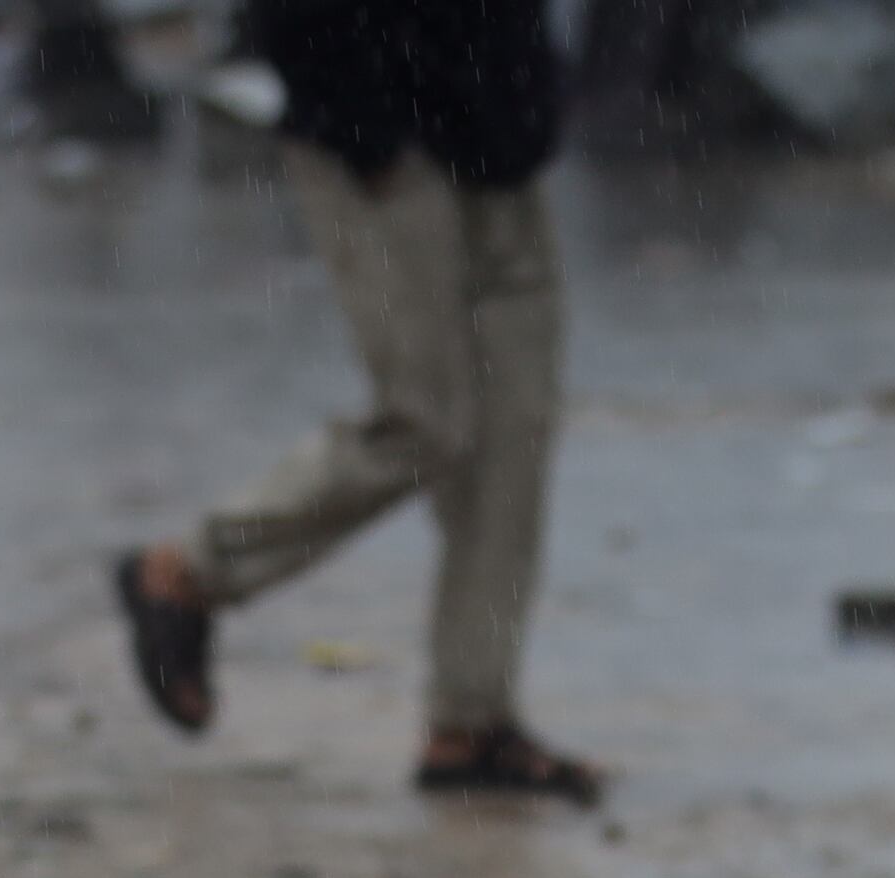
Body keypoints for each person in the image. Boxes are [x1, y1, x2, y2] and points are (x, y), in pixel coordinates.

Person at [107, 0, 602, 802]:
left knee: (512, 432)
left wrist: (533, 100)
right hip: (382, 136)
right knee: (424, 419)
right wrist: (359, 119)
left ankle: (471, 722)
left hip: (500, 134)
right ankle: (188, 570)